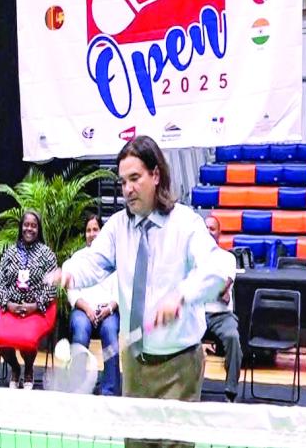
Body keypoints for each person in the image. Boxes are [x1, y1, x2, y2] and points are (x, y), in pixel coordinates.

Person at [48, 136, 234, 448]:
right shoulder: (119, 226)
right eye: (122, 182)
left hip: (180, 367)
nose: (127, 189)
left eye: (135, 178)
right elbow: (93, 261)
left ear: (156, 175)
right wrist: (68, 271)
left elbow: (220, 265)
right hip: (134, 363)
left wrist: (183, 294)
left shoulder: (185, 223)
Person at [0, 209, 58, 390]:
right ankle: (15, 368)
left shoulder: (47, 254)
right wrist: (9, 304)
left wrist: (35, 305)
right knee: (2, 339)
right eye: (26, 225)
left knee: (27, 338)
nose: (29, 229)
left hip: (37, 309)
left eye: (33, 225)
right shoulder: (10, 253)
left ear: (39, 229)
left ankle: (29, 369)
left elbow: (52, 287)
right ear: (21, 227)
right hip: (12, 306)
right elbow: (0, 285)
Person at [66, 213, 121, 395]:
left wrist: (110, 308)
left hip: (108, 310)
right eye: (88, 230)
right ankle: (79, 387)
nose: (92, 234)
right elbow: (72, 291)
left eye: (95, 229)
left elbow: (121, 290)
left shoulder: (114, 259)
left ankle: (109, 390)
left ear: (102, 231)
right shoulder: (77, 258)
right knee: (81, 333)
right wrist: (87, 309)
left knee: (110, 335)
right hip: (83, 310)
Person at [203, 215, 241, 403]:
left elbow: (223, 286)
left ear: (219, 233)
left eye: (212, 229)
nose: (209, 232)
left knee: (233, 338)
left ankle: (230, 392)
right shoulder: (192, 258)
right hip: (197, 315)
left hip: (222, 316)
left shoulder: (228, 258)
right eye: (206, 228)